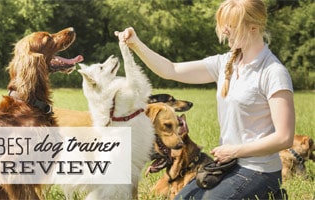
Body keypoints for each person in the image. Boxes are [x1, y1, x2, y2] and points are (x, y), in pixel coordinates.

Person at [115, 0, 295, 199]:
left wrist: (235, 151)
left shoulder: (273, 73)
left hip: (258, 171)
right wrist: (136, 43)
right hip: (227, 165)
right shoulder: (226, 63)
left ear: (253, 27)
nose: (225, 30)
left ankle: (270, 193)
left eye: (231, 25)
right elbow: (170, 70)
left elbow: (284, 137)